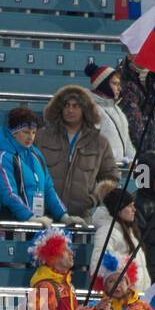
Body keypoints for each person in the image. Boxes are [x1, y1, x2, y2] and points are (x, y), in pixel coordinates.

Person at [38, 84, 119, 219]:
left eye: (76, 106)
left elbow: (111, 178)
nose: (70, 110)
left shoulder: (100, 142)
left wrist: (93, 199)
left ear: (85, 109)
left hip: (81, 216)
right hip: (45, 215)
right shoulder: (42, 136)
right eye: (66, 105)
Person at [0, 108, 73, 224]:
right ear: (13, 133)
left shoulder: (36, 154)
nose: (31, 137)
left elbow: (48, 189)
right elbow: (8, 194)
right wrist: (29, 217)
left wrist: (64, 216)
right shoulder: (1, 158)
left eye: (33, 132)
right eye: (26, 132)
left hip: (36, 223)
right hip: (10, 226)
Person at [27, 226, 85, 310]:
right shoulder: (43, 287)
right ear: (52, 255)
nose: (72, 253)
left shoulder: (68, 286)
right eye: (65, 250)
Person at [89, 188, 150, 295]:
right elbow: (98, 267)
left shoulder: (129, 231)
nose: (134, 209)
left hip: (136, 298)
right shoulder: (107, 231)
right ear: (118, 209)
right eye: (129, 206)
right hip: (121, 301)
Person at [84, 62, 133, 166]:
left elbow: (127, 141)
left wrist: (133, 159)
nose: (119, 88)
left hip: (119, 171)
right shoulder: (92, 109)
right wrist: (114, 158)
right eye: (115, 84)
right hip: (103, 171)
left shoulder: (118, 110)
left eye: (119, 84)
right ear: (103, 84)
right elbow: (90, 145)